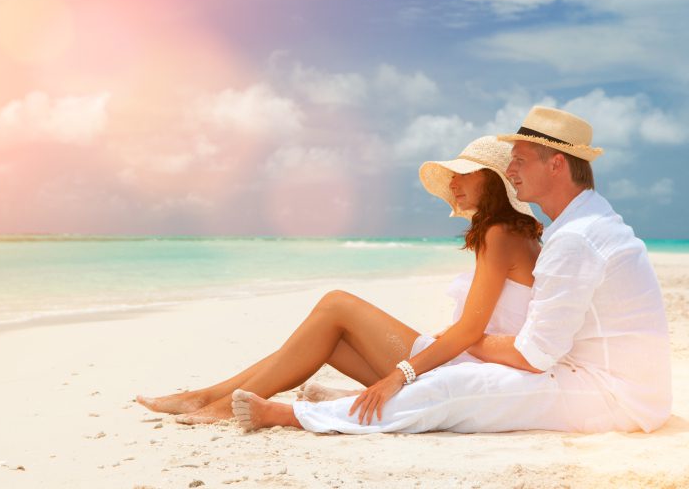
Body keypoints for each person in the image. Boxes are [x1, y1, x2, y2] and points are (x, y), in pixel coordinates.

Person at [232, 106, 671, 434]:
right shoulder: (583, 224)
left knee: (453, 387)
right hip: (614, 384)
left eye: (519, 161)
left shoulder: (577, 237)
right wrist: (461, 340)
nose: (511, 170)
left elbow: (532, 356)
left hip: (612, 395)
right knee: (453, 380)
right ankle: (322, 404)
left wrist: (466, 338)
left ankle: (292, 415)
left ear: (556, 164)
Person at [136, 135, 542, 425]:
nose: (453, 183)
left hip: (465, 367)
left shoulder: (499, 234)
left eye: (464, 175)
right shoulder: (511, 232)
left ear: (491, 181)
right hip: (468, 359)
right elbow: (484, 322)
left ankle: (215, 402)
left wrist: (398, 375)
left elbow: (471, 330)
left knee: (335, 303)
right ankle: (206, 397)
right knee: (323, 339)